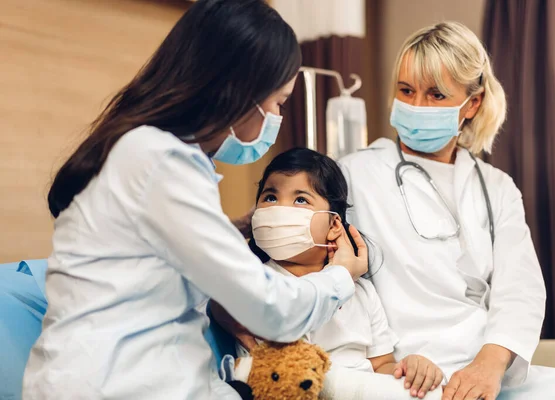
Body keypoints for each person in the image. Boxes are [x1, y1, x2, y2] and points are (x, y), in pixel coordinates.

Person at [22, 1, 367, 399]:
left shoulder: (145, 152)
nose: (277, 117)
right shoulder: (159, 161)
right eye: (279, 103)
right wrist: (341, 275)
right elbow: (272, 310)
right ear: (241, 90)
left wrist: (227, 229)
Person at [339, 21, 555, 400]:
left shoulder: (496, 187)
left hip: (485, 370)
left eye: (436, 95)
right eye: (406, 90)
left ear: (472, 103)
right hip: (401, 370)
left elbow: (521, 289)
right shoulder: (352, 174)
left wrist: (489, 366)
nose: (416, 106)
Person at [213, 148, 444, 399]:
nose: (280, 209)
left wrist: (410, 368)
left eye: (300, 200)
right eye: (270, 197)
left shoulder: (362, 292)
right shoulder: (257, 282)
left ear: (334, 224)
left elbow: (381, 366)